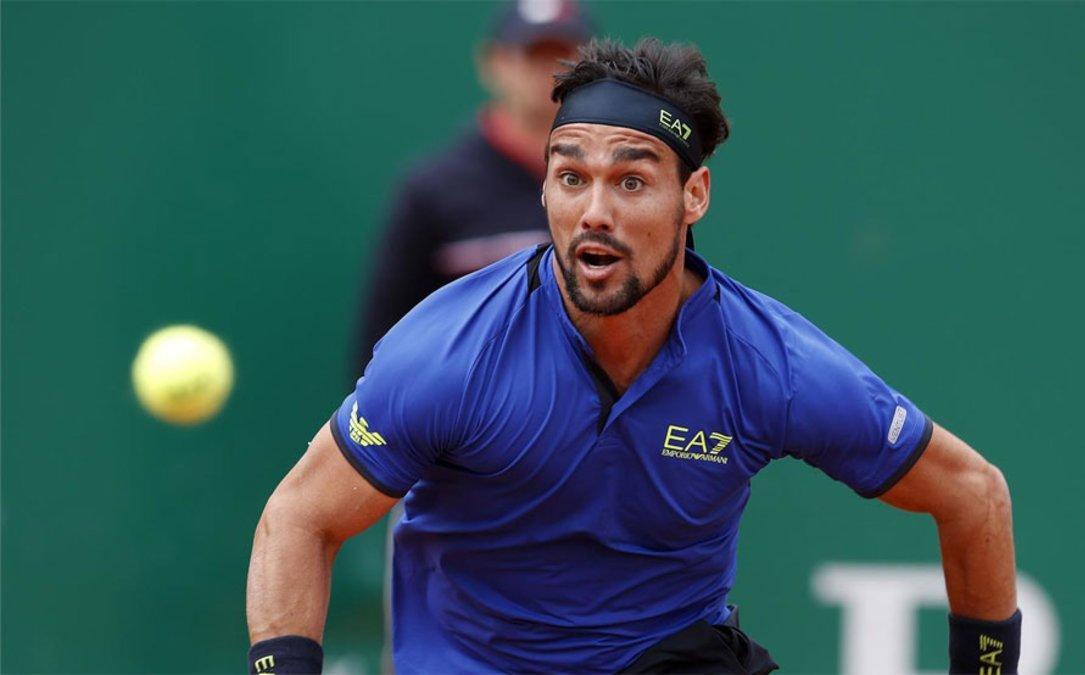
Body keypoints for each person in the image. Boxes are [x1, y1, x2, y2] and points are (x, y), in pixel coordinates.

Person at [247, 38, 1021, 674]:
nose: (594, 211)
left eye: (631, 181)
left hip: (669, 660)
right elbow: (299, 518)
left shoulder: (768, 364)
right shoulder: (447, 354)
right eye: (571, 176)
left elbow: (972, 494)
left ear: (694, 197)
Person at [354, 0, 595, 374]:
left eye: (563, 56)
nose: (549, 72)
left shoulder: (617, 182)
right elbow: (379, 349)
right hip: (464, 425)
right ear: (493, 64)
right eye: (533, 54)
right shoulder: (433, 189)